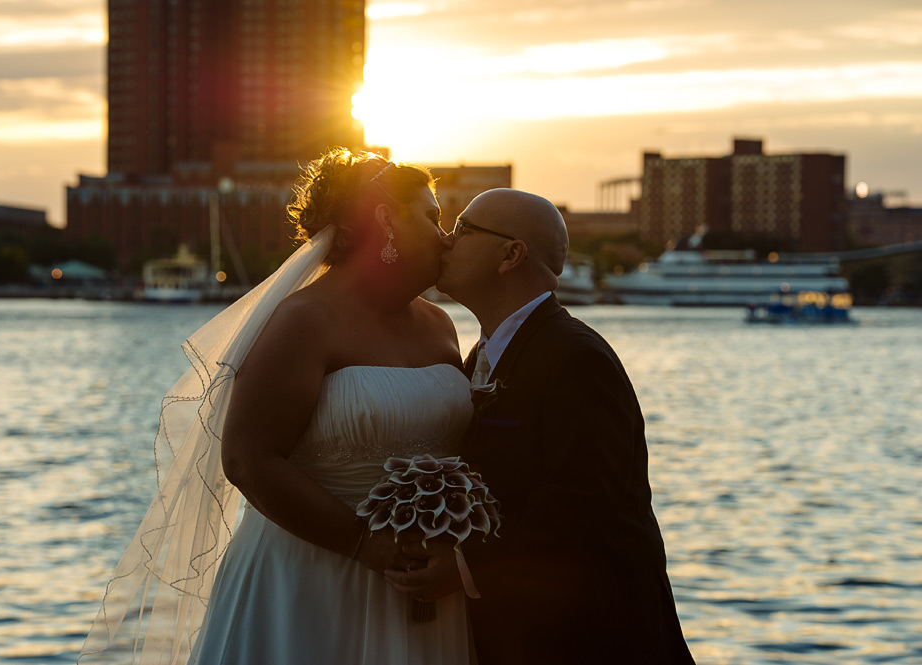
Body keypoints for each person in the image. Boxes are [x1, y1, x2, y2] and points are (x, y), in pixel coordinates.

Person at [79, 149, 473, 664]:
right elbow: (247, 458)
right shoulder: (306, 320)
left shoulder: (440, 327)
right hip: (312, 577)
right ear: (385, 221)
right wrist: (362, 544)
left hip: (423, 585)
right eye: (431, 217)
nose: (444, 237)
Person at [386, 188, 695, 664]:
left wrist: (466, 565)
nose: (446, 240)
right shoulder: (483, 357)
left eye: (464, 229)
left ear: (510, 255)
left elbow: (585, 504)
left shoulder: (576, 359)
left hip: (597, 640)